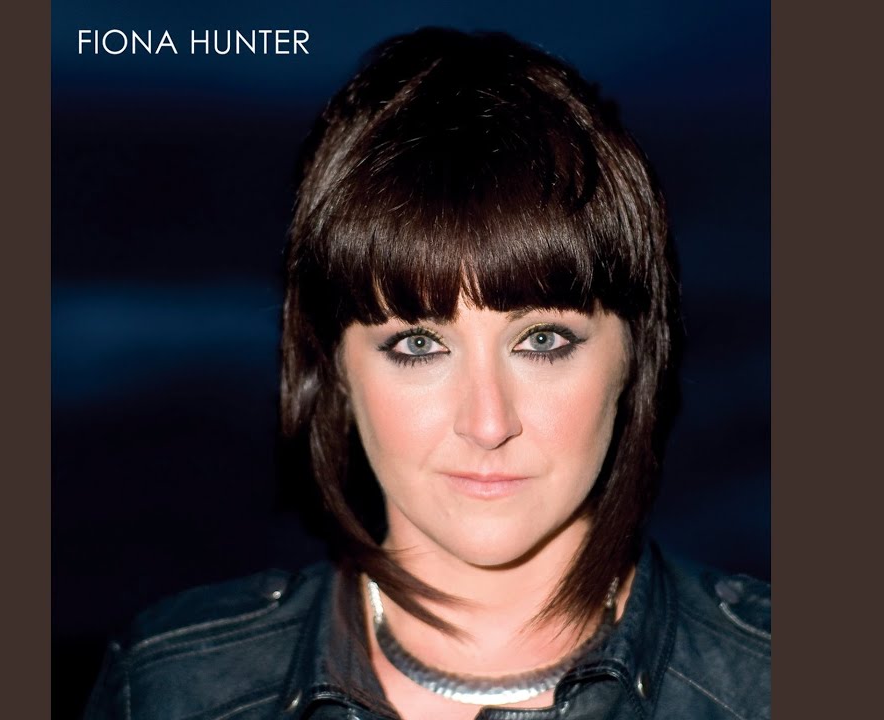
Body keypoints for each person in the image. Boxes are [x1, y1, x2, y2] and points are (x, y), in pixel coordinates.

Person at [83, 27, 770, 720]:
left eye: (542, 340)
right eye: (417, 345)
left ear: (637, 354)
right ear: (333, 365)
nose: (487, 423)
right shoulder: (171, 688)